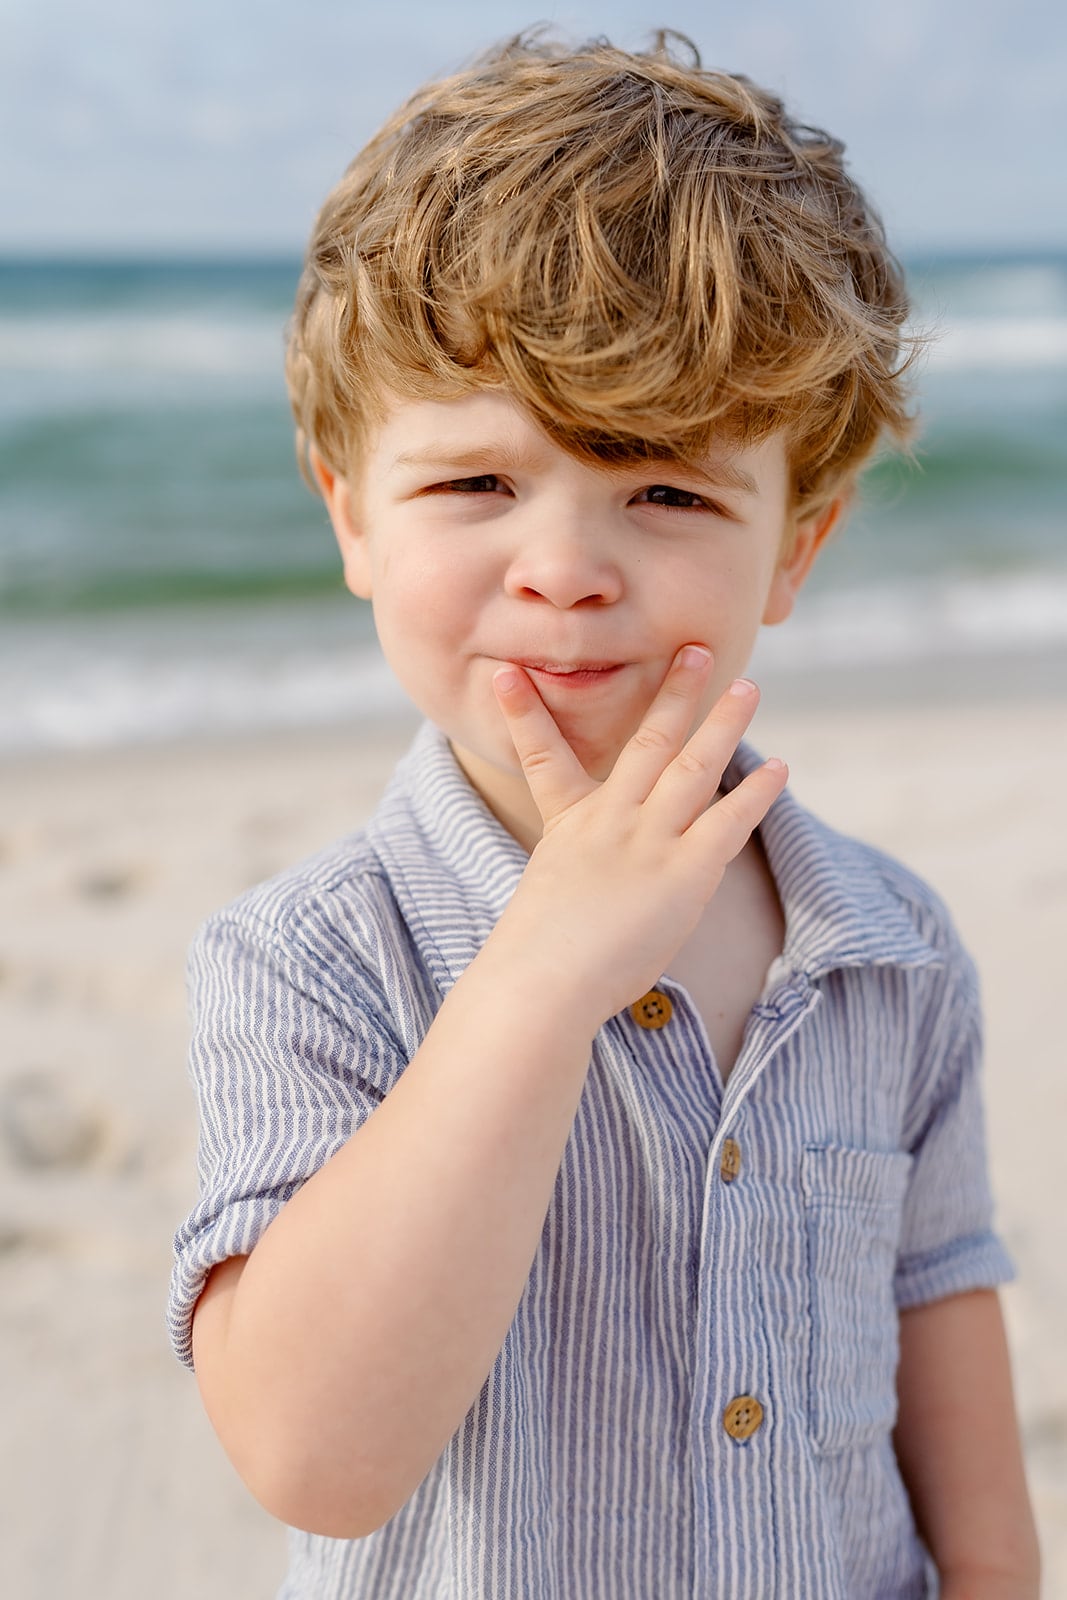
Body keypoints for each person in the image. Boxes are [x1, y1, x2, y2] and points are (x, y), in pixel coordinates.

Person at [168, 30, 1040, 1598]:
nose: (565, 566)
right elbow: (314, 1456)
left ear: (798, 543)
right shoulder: (310, 957)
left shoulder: (888, 947)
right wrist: (542, 972)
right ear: (349, 512)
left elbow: (942, 1313)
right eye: (474, 487)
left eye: (669, 492)